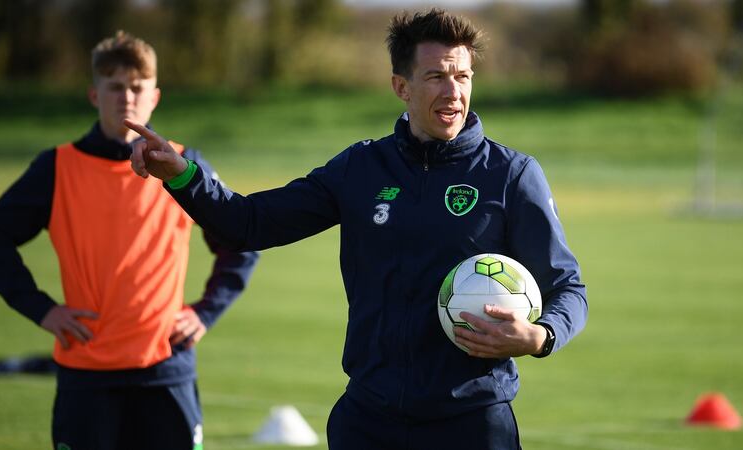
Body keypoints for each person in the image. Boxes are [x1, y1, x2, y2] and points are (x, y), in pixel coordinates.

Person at [129, 9, 587, 449]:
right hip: (370, 421)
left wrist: (540, 336)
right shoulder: (362, 169)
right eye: (436, 77)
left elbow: (568, 286)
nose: (453, 92)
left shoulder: (511, 175)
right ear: (400, 86)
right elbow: (249, 224)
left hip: (473, 423)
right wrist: (184, 176)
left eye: (463, 76)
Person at [0, 31, 259, 450]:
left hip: (165, 368)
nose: (127, 97)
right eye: (115, 87)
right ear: (94, 94)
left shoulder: (184, 165)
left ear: (155, 96)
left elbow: (241, 238)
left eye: (137, 87)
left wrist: (205, 312)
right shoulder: (57, 168)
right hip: (86, 373)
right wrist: (43, 310)